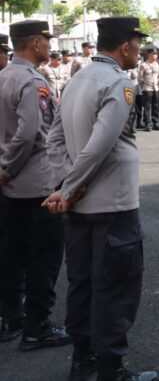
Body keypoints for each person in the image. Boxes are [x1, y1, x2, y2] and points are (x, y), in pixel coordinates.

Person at [44, 16, 158, 381]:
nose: (140, 50)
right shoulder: (118, 82)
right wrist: (69, 188)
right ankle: (111, 369)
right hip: (113, 205)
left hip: (79, 207)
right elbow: (100, 145)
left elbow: (54, 140)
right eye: (137, 44)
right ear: (125, 46)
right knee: (116, 287)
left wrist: (66, 184)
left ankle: (83, 361)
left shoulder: (77, 80)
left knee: (82, 284)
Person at [0, 20, 71, 350]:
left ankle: (12, 317)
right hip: (36, 183)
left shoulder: (4, 75)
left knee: (12, 254)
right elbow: (29, 134)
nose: (49, 45)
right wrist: (7, 168)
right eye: (46, 40)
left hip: (11, 186)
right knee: (44, 257)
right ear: (34, 43)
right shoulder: (32, 81)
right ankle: (37, 327)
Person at [137, 49, 159, 132]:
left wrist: (157, 84)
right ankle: (147, 124)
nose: (155, 56)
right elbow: (140, 78)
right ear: (149, 55)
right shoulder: (143, 65)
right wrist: (144, 86)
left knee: (156, 106)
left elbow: (158, 76)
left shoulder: (157, 64)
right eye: (154, 54)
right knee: (147, 107)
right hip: (147, 88)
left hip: (156, 88)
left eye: (156, 54)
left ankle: (155, 123)